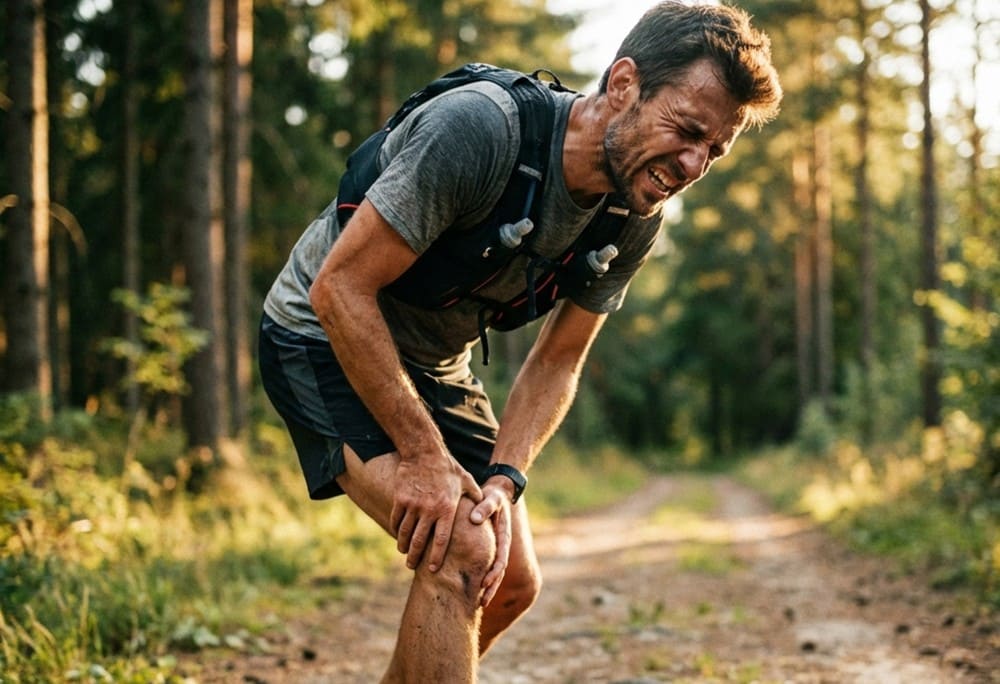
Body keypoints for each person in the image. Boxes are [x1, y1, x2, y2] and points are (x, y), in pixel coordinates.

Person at [258, 2, 781, 681]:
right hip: (318, 332)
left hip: (432, 363)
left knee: (508, 580)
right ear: (623, 84)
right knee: (461, 550)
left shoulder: (634, 216)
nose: (692, 163)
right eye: (686, 130)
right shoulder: (479, 131)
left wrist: (504, 479)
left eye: (714, 149)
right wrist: (422, 455)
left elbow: (558, 360)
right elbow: (340, 290)